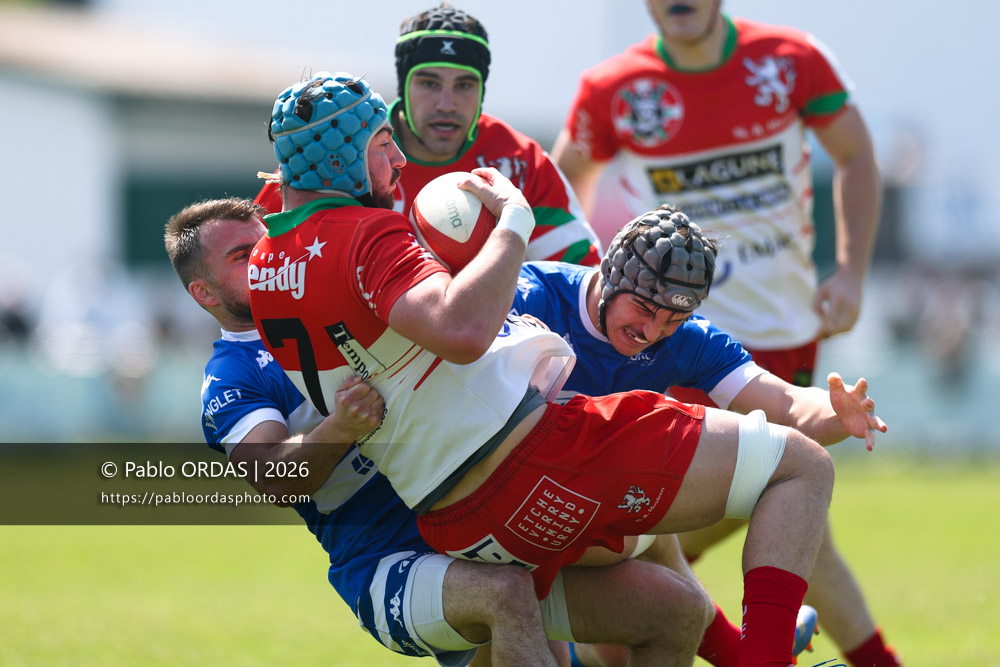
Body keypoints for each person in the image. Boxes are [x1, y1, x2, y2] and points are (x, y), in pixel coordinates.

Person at [250, 69, 838, 666]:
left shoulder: (267, 267)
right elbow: (462, 331)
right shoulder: (366, 232)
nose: (399, 159)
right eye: (381, 142)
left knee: (676, 607)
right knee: (802, 467)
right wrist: (513, 221)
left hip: (454, 519)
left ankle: (743, 653)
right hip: (531, 460)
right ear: (341, 154)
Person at [164, 197, 719, 666]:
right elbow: (275, 479)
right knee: (507, 597)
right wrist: (339, 428)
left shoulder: (347, 304)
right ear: (204, 294)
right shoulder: (231, 376)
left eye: (263, 244)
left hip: (482, 528)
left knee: (678, 611)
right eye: (242, 257)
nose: (264, 259)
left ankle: (745, 650)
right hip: (388, 563)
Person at [551, 3, 898, 665]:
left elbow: (855, 154)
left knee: (770, 511)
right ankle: (746, 650)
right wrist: (593, 302)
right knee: (679, 515)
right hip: (663, 339)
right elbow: (559, 195)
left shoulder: (790, 60)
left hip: (778, 340)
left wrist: (851, 271)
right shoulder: (614, 88)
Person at [509, 203, 887, 666]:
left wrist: (833, 411)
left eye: (672, 319)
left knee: (669, 595)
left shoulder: (687, 338)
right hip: (491, 526)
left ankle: (749, 653)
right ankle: (746, 649)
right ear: (608, 274)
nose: (652, 331)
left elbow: (783, 403)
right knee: (641, 558)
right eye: (644, 309)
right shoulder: (529, 295)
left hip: (579, 523)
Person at [255, 2, 602, 267]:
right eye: (429, 83)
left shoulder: (522, 162)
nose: (447, 104)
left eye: (464, 85)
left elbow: (578, 283)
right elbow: (257, 264)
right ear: (404, 88)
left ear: (481, 92)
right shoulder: (337, 147)